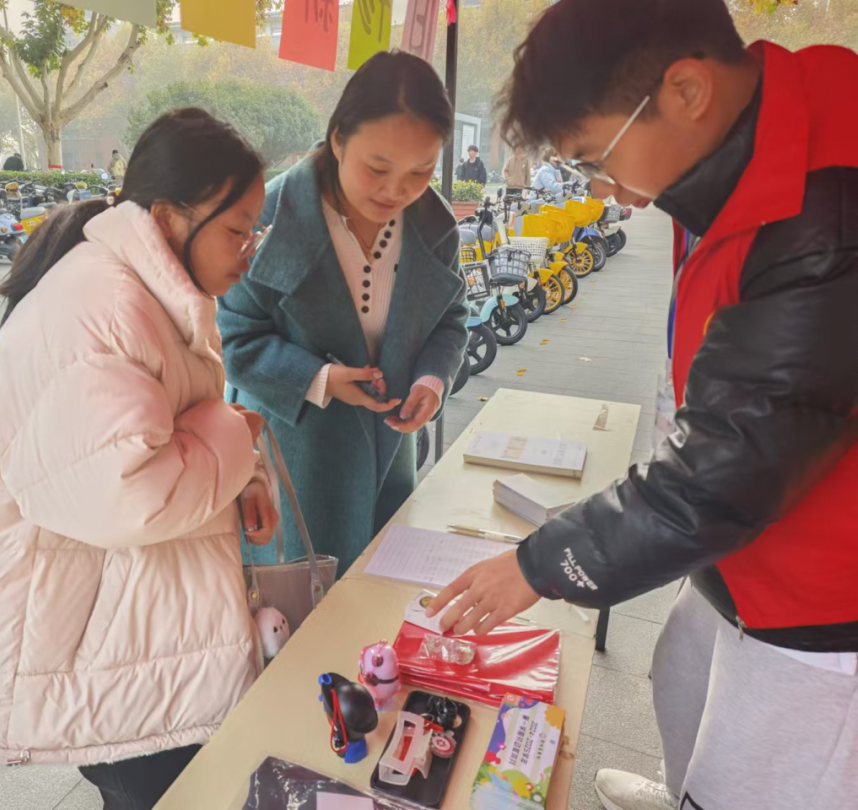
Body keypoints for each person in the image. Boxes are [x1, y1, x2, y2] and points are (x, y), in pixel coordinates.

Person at [427, 2, 858, 810]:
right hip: (744, 556)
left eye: (596, 158)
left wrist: (539, 564)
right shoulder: (755, 148)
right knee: (681, 688)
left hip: (822, 609)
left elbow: (730, 467)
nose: (603, 190)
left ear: (686, 90)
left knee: (748, 781)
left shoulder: (826, 204)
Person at [0, 108, 279, 810]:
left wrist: (241, 475)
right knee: (151, 791)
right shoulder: (104, 311)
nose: (249, 249)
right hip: (89, 646)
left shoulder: (148, 290)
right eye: (236, 229)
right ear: (167, 218)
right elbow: (128, 495)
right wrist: (237, 438)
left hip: (122, 628)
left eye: (255, 230)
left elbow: (170, 422)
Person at [218, 51, 469, 577]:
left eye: (421, 171)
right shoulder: (267, 218)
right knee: (298, 606)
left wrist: (432, 379)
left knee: (379, 592)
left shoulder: (433, 224)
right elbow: (235, 341)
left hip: (388, 451)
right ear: (337, 139)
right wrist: (321, 378)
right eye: (377, 168)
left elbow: (450, 319)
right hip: (294, 458)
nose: (396, 190)